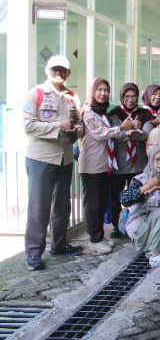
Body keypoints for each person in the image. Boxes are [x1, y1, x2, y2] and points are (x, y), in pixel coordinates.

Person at [23, 55, 83, 270]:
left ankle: (59, 245)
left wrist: (76, 130)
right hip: (41, 159)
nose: (58, 73)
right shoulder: (35, 93)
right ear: (47, 70)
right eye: (54, 69)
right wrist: (59, 126)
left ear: (68, 73)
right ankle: (33, 253)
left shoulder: (72, 97)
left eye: (63, 70)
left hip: (65, 159)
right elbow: (29, 126)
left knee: (63, 206)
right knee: (39, 208)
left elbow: (79, 124)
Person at [79, 78, 130, 254]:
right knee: (92, 204)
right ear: (92, 92)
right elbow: (100, 133)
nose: (103, 93)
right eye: (99, 89)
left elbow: (110, 135)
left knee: (101, 203)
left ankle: (99, 236)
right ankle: (94, 239)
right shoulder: (88, 112)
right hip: (91, 165)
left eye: (106, 90)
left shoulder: (101, 113)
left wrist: (128, 131)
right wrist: (121, 128)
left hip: (104, 165)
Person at [119, 145, 160, 267]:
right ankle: (155, 255)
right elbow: (124, 199)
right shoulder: (140, 179)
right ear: (151, 161)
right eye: (157, 159)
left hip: (158, 228)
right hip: (139, 228)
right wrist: (147, 186)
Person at [108, 82, 147, 239]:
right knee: (116, 197)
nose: (130, 99)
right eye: (127, 96)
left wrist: (130, 132)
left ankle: (135, 226)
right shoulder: (114, 114)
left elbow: (146, 135)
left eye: (134, 96)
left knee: (137, 196)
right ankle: (116, 226)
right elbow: (114, 136)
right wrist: (131, 131)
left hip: (138, 163)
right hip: (119, 163)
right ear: (122, 97)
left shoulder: (144, 113)